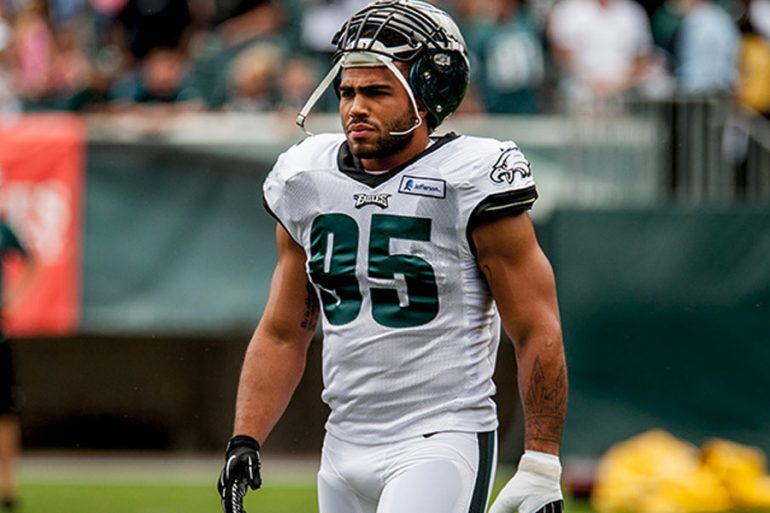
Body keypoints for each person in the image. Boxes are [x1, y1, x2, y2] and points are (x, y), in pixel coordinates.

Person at [217, 2, 568, 513]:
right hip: (342, 442)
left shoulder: (468, 177)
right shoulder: (307, 178)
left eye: (377, 92)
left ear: (427, 96)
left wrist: (541, 462)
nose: (355, 108)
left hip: (440, 438)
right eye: (347, 92)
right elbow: (284, 330)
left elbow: (536, 327)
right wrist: (245, 437)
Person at [0, 218, 37, 512]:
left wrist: (14, 298)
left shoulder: (3, 228)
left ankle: (7, 485)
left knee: (5, 413)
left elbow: (31, 260)